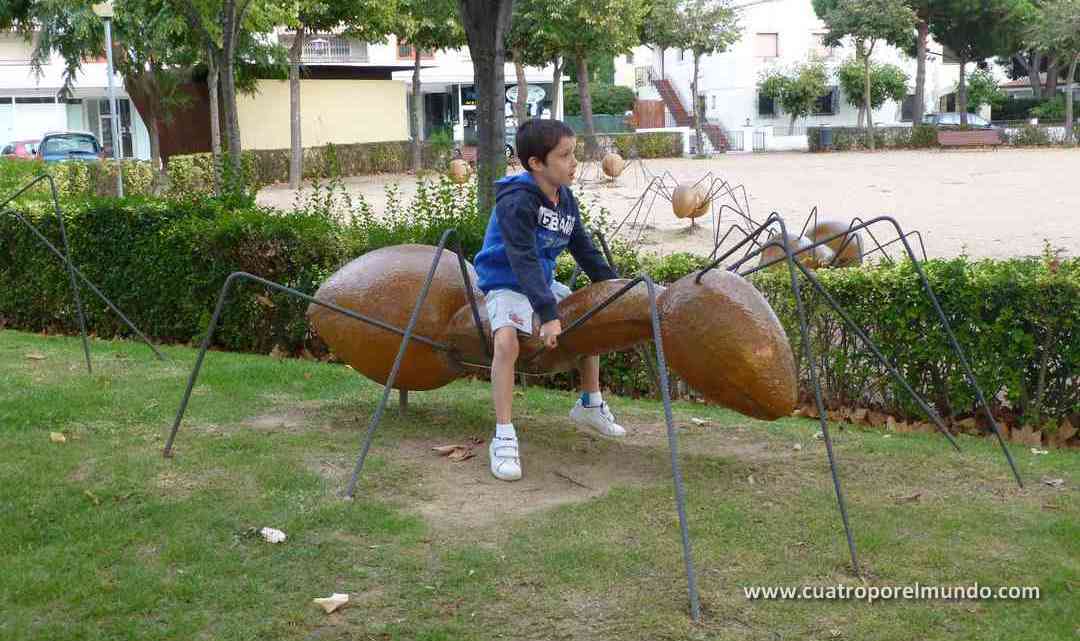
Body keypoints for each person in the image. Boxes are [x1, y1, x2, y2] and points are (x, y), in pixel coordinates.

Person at [474, 119, 625, 482]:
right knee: (506, 342)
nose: (574, 162)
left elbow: (583, 248)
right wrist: (547, 313)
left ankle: (590, 403)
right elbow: (521, 259)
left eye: (574, 153)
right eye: (565, 155)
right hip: (506, 282)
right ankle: (504, 435)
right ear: (535, 164)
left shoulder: (565, 199)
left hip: (539, 283)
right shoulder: (517, 201)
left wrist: (616, 286)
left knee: (590, 314)